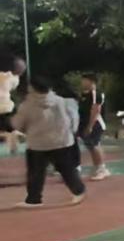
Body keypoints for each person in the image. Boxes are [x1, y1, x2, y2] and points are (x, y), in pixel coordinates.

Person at [12, 77, 86, 208]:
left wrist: (25, 130)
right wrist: (71, 132)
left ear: (32, 88)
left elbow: (17, 124)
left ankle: (34, 199)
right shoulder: (62, 101)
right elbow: (73, 118)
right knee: (66, 168)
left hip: (38, 144)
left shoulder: (26, 106)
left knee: (35, 172)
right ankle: (78, 191)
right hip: (62, 141)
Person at [77, 73, 109, 181]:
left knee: (95, 145)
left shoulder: (96, 94)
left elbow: (95, 110)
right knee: (90, 146)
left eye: (84, 80)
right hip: (84, 123)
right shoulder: (83, 94)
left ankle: (102, 169)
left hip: (95, 123)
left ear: (91, 81)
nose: (82, 82)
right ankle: (97, 167)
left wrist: (90, 126)